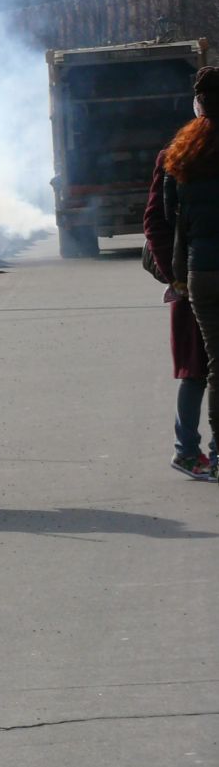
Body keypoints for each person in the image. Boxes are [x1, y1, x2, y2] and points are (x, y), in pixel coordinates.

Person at [160, 66, 219, 479]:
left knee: (213, 364)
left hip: (202, 269)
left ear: (199, 105)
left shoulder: (181, 153)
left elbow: (167, 216)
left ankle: (212, 454)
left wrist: (175, 274)